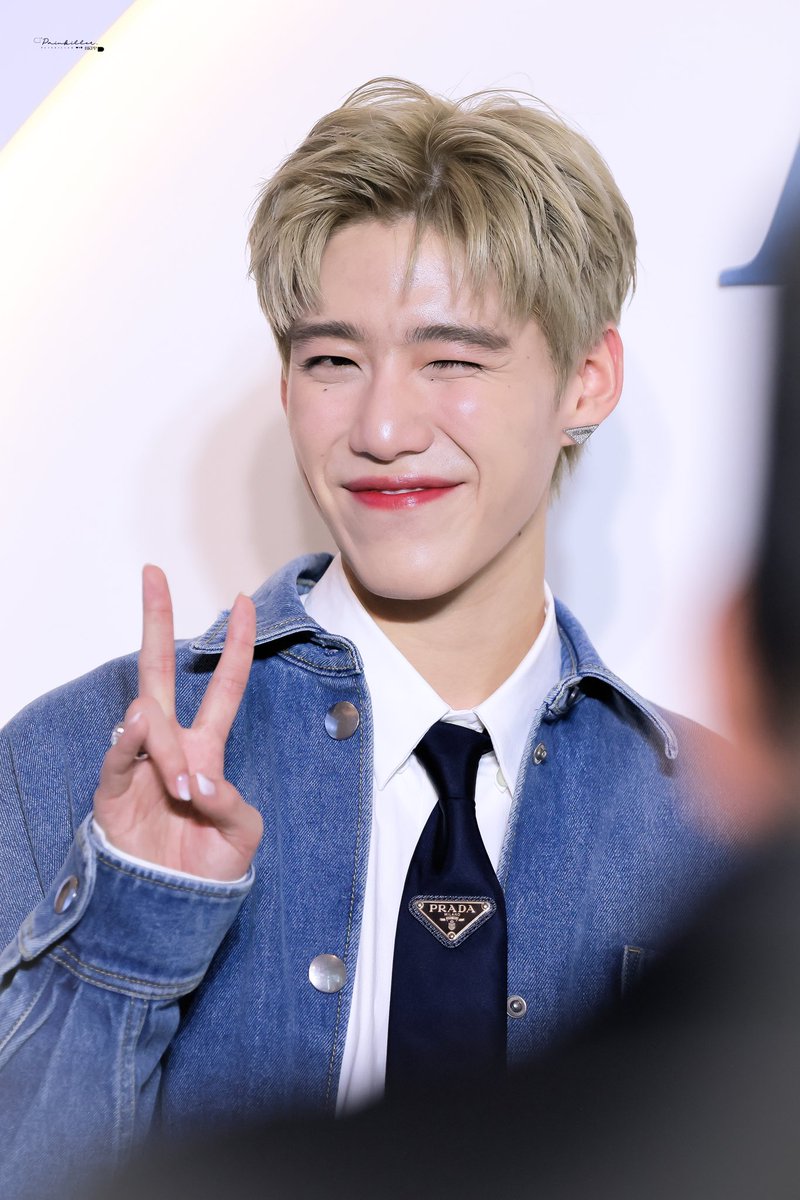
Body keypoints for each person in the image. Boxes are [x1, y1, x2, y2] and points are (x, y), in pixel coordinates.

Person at [0, 78, 740, 1198]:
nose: (382, 428)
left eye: (452, 360)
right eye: (332, 360)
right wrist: (131, 928)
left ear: (585, 381)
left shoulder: (712, 828)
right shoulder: (71, 762)